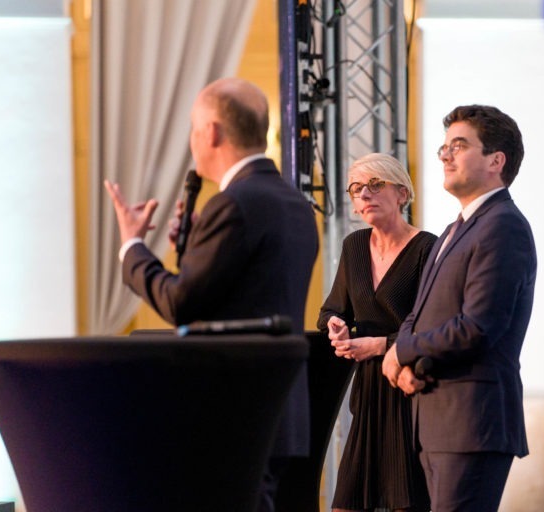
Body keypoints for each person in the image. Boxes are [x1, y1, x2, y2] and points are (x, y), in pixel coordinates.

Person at [104, 77, 319, 512]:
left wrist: (133, 247)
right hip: (280, 412)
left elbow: (182, 304)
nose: (191, 139)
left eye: (192, 127)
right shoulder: (293, 202)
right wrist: (192, 248)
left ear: (213, 132)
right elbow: (245, 293)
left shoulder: (235, 204)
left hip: (233, 413)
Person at [382, 105, 537, 512]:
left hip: (473, 421)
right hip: (437, 417)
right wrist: (405, 364)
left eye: (459, 145)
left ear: (495, 161)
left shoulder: (503, 224)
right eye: (444, 147)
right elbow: (420, 312)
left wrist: (402, 352)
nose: (445, 155)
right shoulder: (454, 229)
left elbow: (478, 327)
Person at [318, 153, 435, 512]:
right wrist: (335, 326)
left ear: (402, 193)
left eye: (375, 185)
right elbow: (330, 311)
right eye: (356, 188)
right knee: (346, 504)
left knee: (407, 502)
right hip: (367, 393)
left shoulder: (427, 248)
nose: (364, 194)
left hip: (409, 388)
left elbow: (433, 326)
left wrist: (380, 345)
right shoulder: (354, 246)